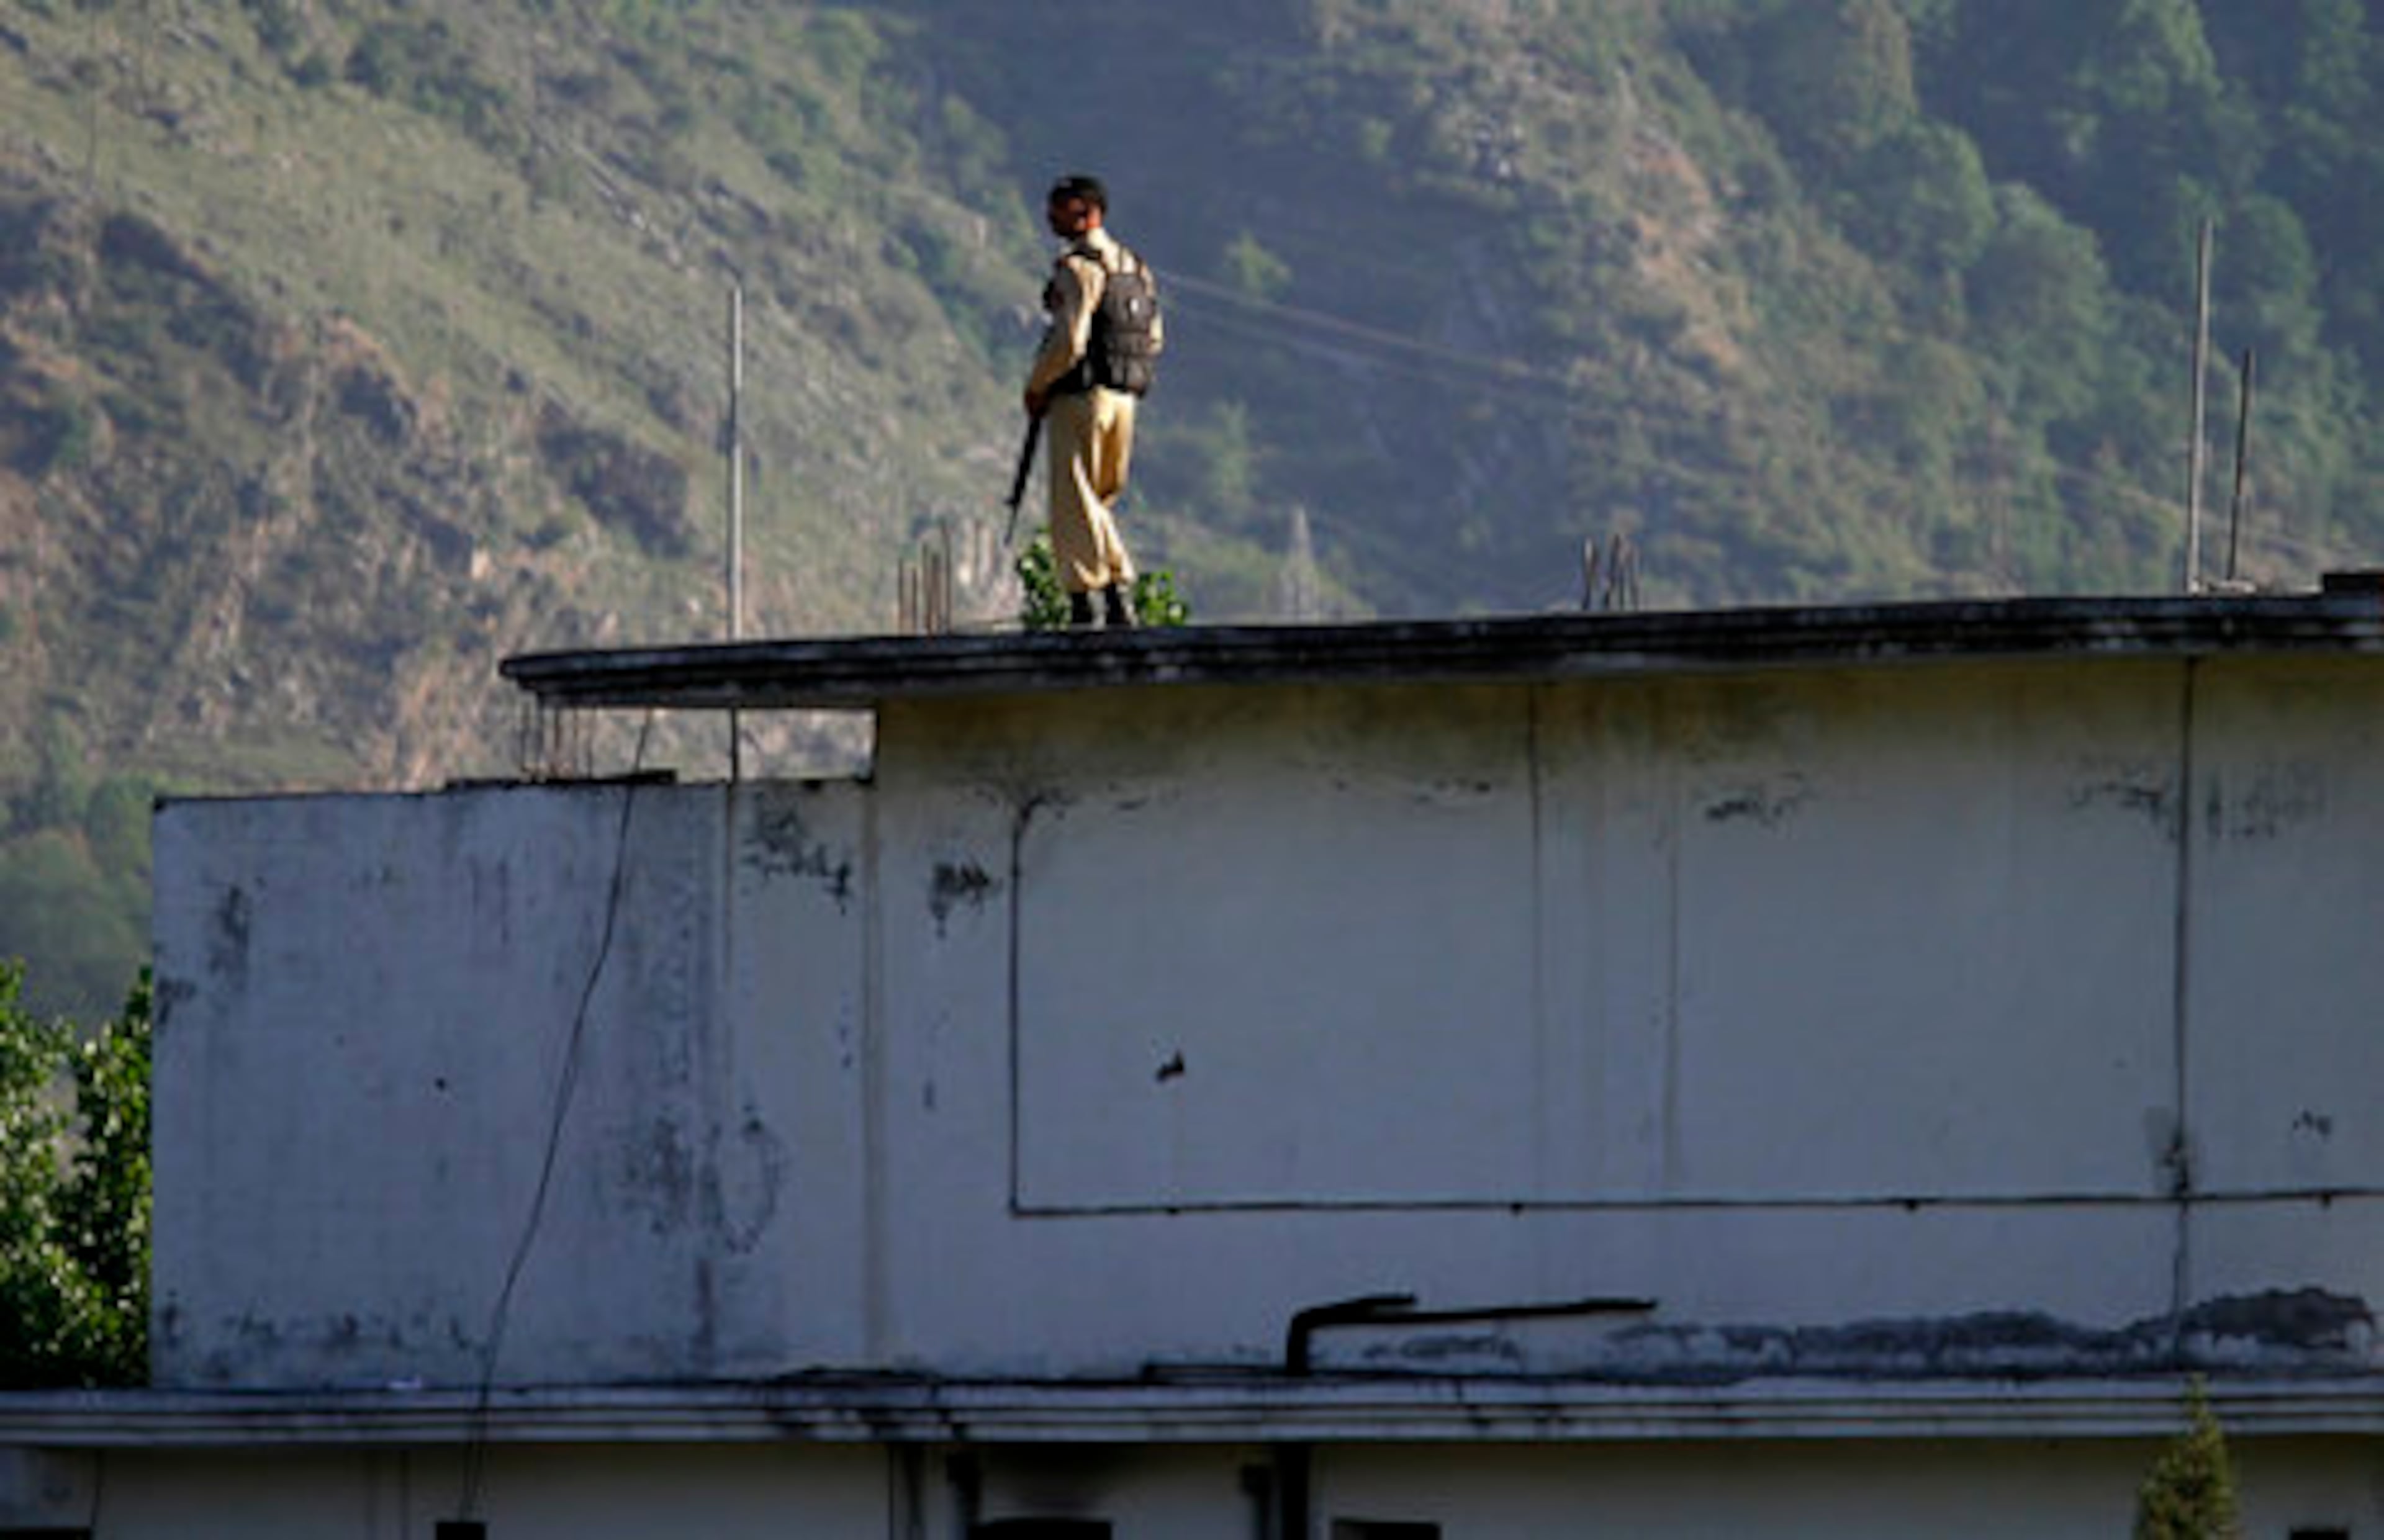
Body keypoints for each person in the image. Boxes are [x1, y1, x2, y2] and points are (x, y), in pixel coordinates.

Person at [1023, 173, 1163, 627]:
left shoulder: (1078, 267)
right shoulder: (1135, 267)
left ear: (1086, 212)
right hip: (1124, 398)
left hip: (1081, 397)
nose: (1050, 218)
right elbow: (1154, 337)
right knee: (1098, 499)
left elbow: (1069, 340)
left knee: (1074, 498)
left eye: (1059, 209)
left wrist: (1038, 385)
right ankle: (1116, 595)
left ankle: (1094, 596)